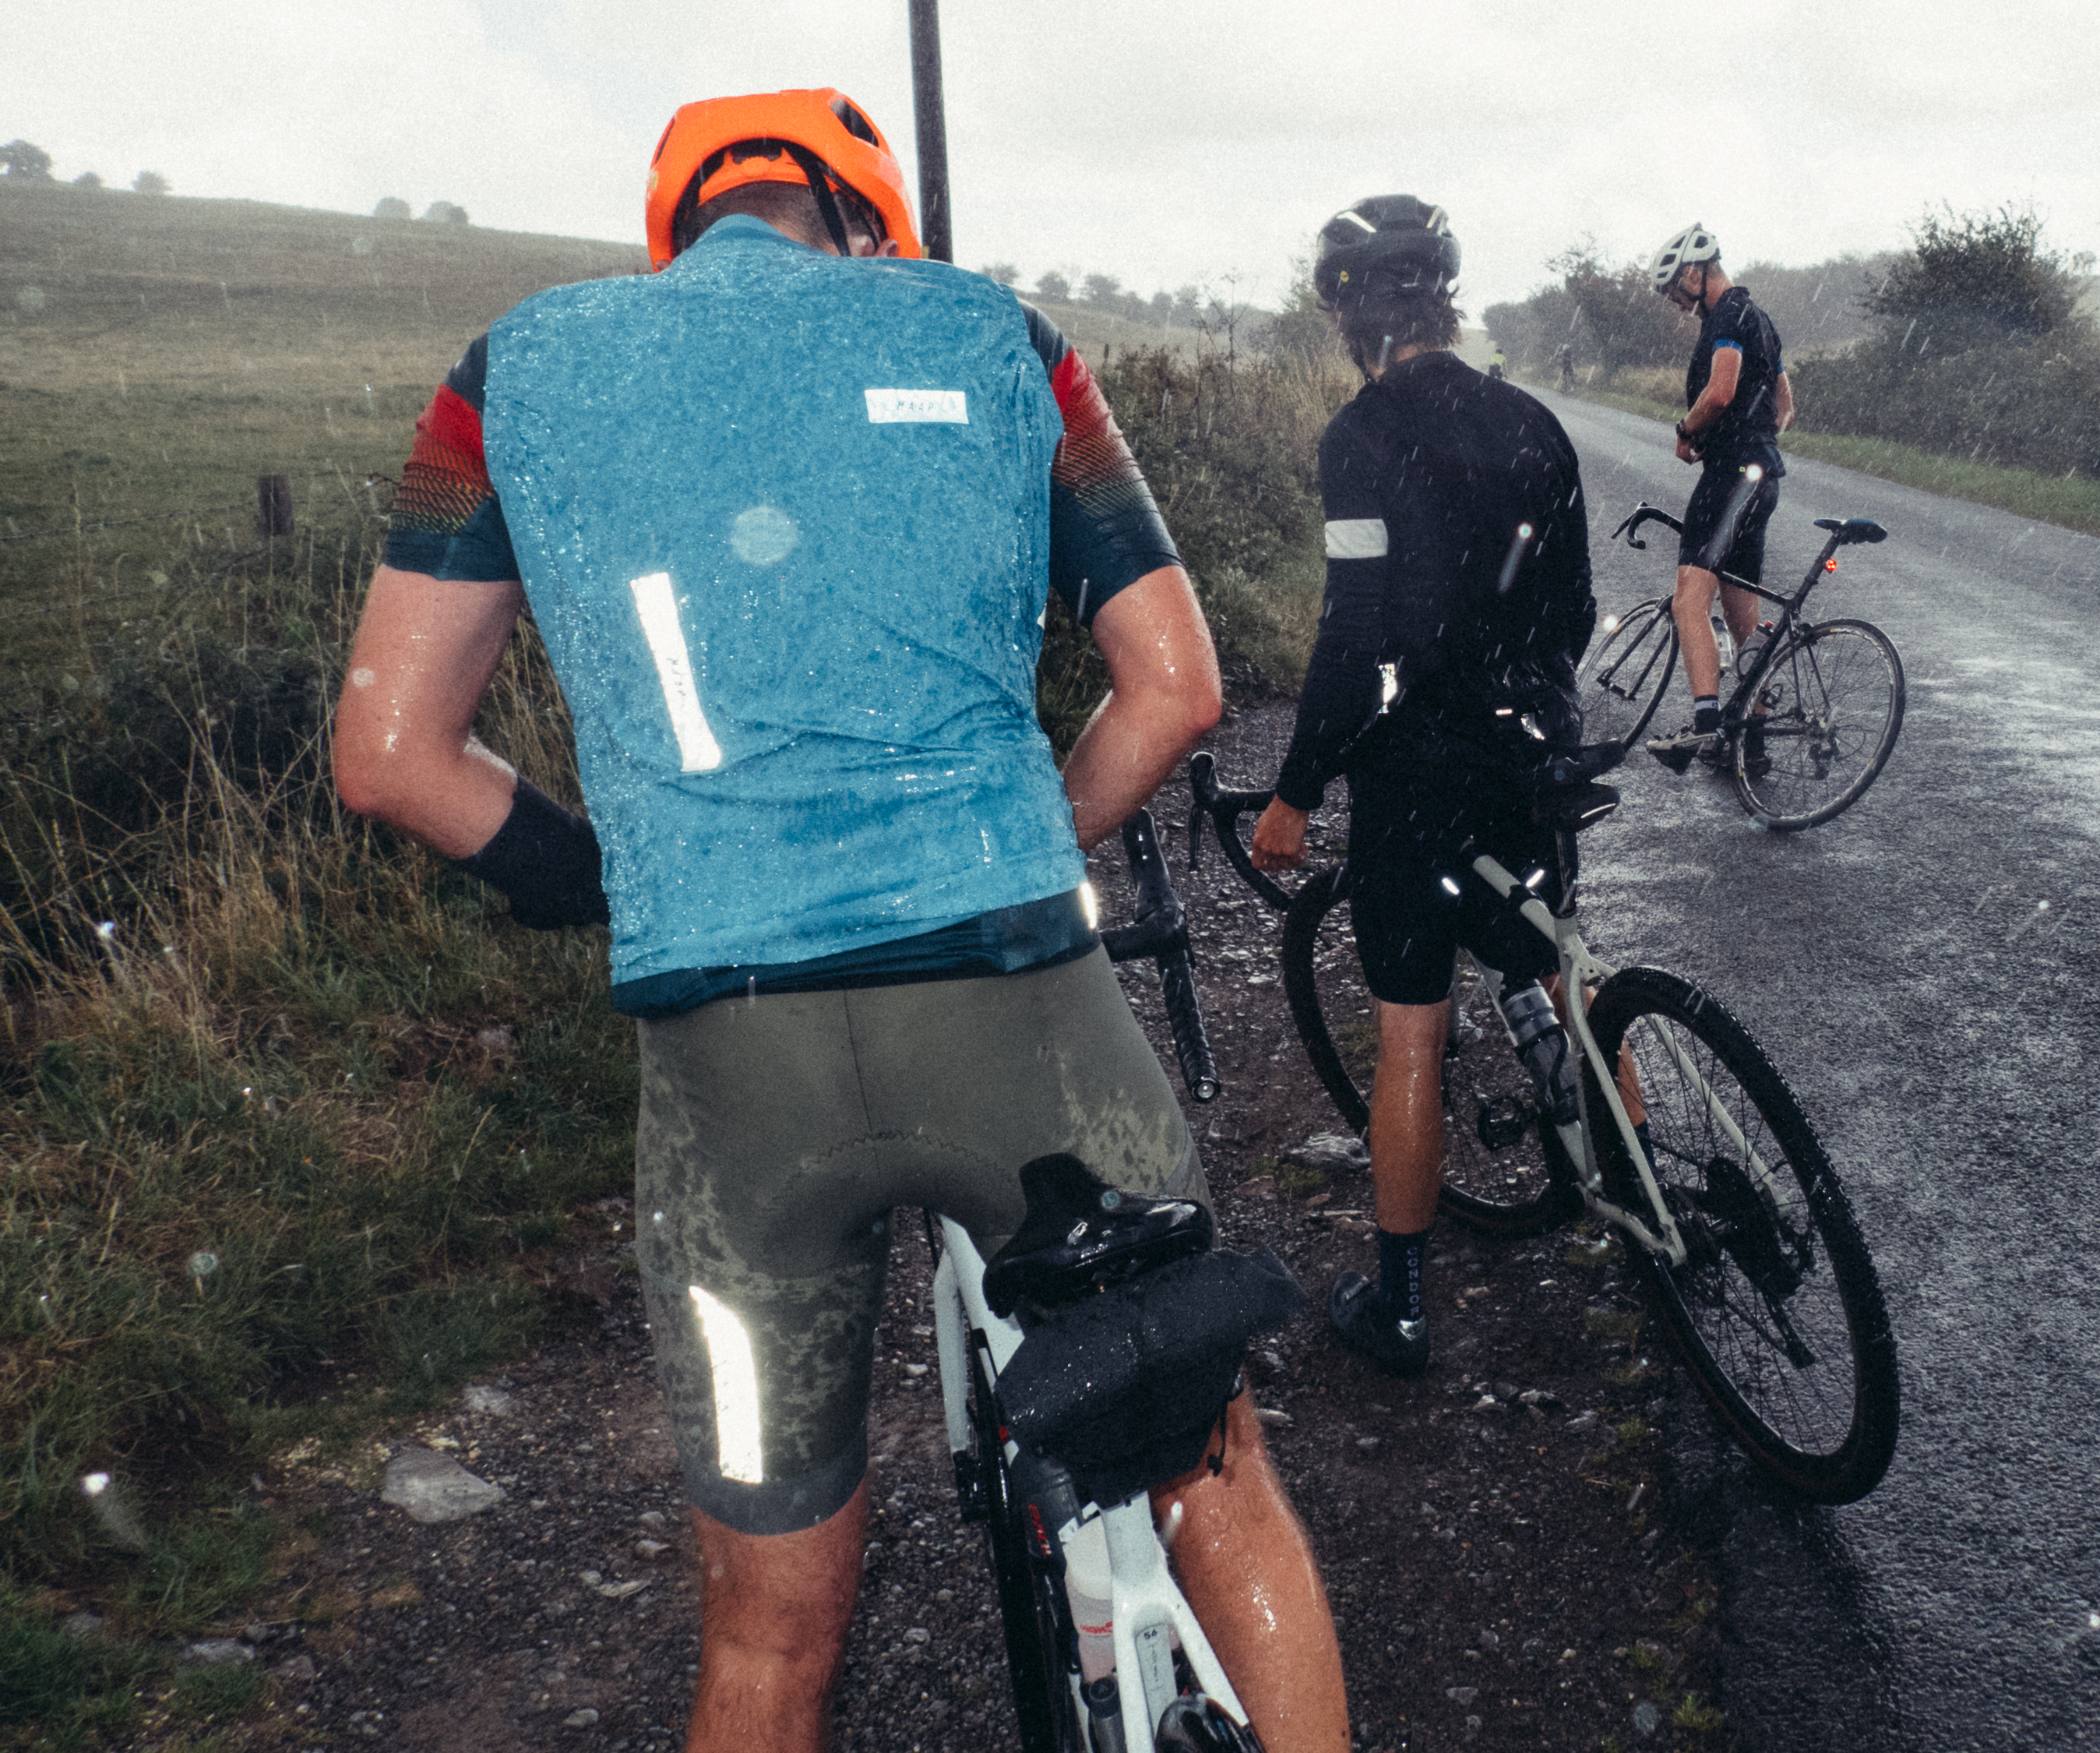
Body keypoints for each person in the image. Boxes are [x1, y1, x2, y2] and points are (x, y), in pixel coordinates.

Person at [333, 89, 1347, 1753]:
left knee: (766, 1634)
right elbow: (1174, 692)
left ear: (676, 228)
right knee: (1207, 1476)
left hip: (736, 1075)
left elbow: (388, 759)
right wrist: (1033, 842)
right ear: (870, 217)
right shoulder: (997, 335)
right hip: (1021, 1008)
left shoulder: (511, 372)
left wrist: (629, 888)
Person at [1246, 195, 1594, 1378]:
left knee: (1410, 1038)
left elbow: (1357, 637)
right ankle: (1664, 1214)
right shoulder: (1535, 420)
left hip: (1418, 782)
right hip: (1530, 750)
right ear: (1442, 296)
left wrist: (1296, 790)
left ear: (1349, 313)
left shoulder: (1362, 438)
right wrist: (1524, 699)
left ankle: (1399, 1308)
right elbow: (1576, 611)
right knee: (1553, 961)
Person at [1640, 221, 1794, 772]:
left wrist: (1689, 430)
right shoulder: (1761, 319)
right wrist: (1756, 438)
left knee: (1689, 598)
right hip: (1764, 477)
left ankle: (1706, 729)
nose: (1675, 302)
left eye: (1673, 289)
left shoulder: (1727, 314)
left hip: (1731, 477)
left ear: (1692, 270)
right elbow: (1785, 406)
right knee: (1742, 616)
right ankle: (1750, 742)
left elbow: (1723, 388)